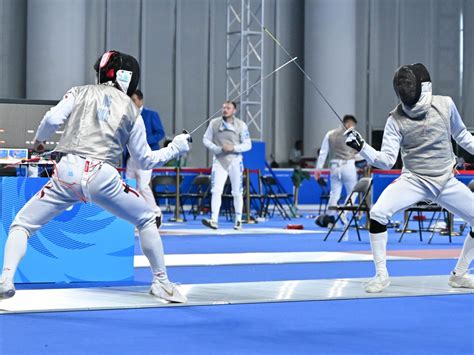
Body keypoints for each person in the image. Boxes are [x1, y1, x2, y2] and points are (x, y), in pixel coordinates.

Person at [0, 50, 190, 303]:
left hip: (67, 173)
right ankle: (162, 283)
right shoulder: (133, 111)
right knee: (146, 218)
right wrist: (176, 147)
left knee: (22, 225)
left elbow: (52, 119)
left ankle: (6, 279)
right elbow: (145, 160)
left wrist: (39, 143)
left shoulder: (79, 91)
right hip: (103, 176)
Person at [345, 63, 474, 293]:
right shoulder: (395, 119)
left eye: (409, 85)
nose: (406, 89)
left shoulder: (445, 105)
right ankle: (381, 276)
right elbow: (386, 160)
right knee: (377, 213)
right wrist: (362, 147)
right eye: (403, 86)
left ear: (422, 87)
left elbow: (462, 135)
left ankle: (460, 274)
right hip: (414, 180)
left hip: (445, 179)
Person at [202, 101, 251, 230]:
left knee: (237, 191)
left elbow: (248, 144)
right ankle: (214, 220)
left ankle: (239, 220)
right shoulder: (214, 123)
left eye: (228, 108)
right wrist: (216, 148)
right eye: (223, 107)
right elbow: (206, 139)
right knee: (216, 190)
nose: (225, 110)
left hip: (235, 160)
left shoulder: (241, 125)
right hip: (219, 160)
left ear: (234, 111)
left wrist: (233, 147)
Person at [126, 89, 165, 227]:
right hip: (131, 157)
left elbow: (160, 133)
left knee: (143, 186)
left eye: (134, 100)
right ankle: (135, 214)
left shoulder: (151, 114)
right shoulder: (127, 115)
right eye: (130, 100)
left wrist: (144, 141)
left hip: (146, 156)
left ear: (140, 101)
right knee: (129, 186)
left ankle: (155, 212)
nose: (132, 103)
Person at [314, 115, 359, 227]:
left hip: (334, 167)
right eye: (353, 126)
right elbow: (360, 153)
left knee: (334, 194)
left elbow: (323, 152)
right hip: (348, 166)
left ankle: (330, 218)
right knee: (354, 192)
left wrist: (318, 168)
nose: (354, 128)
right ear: (349, 124)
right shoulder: (353, 136)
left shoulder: (330, 134)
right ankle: (344, 212)